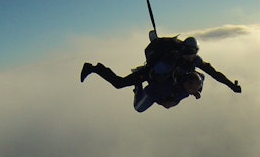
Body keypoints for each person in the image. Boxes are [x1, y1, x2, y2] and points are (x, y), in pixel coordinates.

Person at [79, 35, 241, 111]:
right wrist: (163, 99)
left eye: (192, 53)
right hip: (149, 75)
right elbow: (158, 73)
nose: (190, 56)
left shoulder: (194, 62)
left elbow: (214, 74)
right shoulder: (173, 57)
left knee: (199, 79)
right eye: (189, 53)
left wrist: (231, 86)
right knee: (119, 83)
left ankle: (96, 68)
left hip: (163, 79)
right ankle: (93, 68)